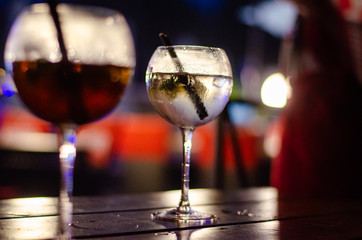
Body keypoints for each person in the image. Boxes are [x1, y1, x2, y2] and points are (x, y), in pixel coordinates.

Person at [270, 0, 362, 197]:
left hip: (322, 108)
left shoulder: (326, 16)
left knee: (312, 182)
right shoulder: (308, 18)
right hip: (323, 105)